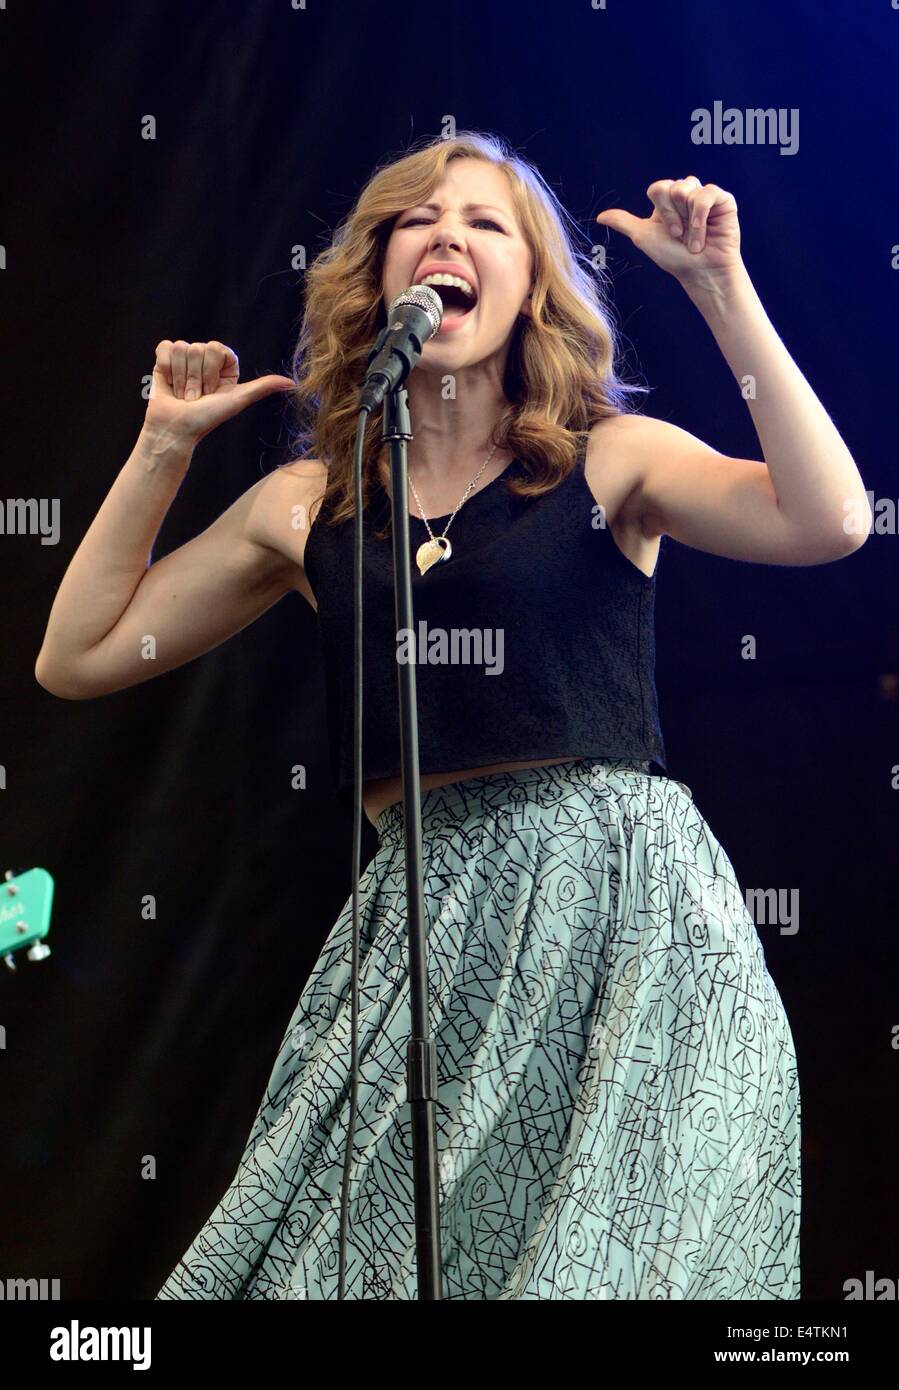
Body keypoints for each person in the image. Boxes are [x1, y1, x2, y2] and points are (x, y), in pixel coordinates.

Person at [36, 131, 870, 1300]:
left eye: (484, 223)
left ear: (530, 282)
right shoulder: (307, 503)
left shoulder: (608, 462)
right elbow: (73, 658)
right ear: (375, 276)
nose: (447, 239)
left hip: (625, 919)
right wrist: (162, 449)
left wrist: (719, 292)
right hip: (418, 918)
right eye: (417, 222)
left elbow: (828, 519)